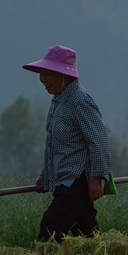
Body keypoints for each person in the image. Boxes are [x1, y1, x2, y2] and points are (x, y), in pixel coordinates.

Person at [22, 45, 111, 242]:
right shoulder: (59, 101)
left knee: (51, 226)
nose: (42, 80)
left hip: (77, 179)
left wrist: (96, 178)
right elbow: (54, 145)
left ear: (63, 75)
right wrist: (45, 174)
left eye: (47, 74)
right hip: (65, 178)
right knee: (85, 231)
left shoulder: (79, 100)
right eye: (41, 74)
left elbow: (98, 139)